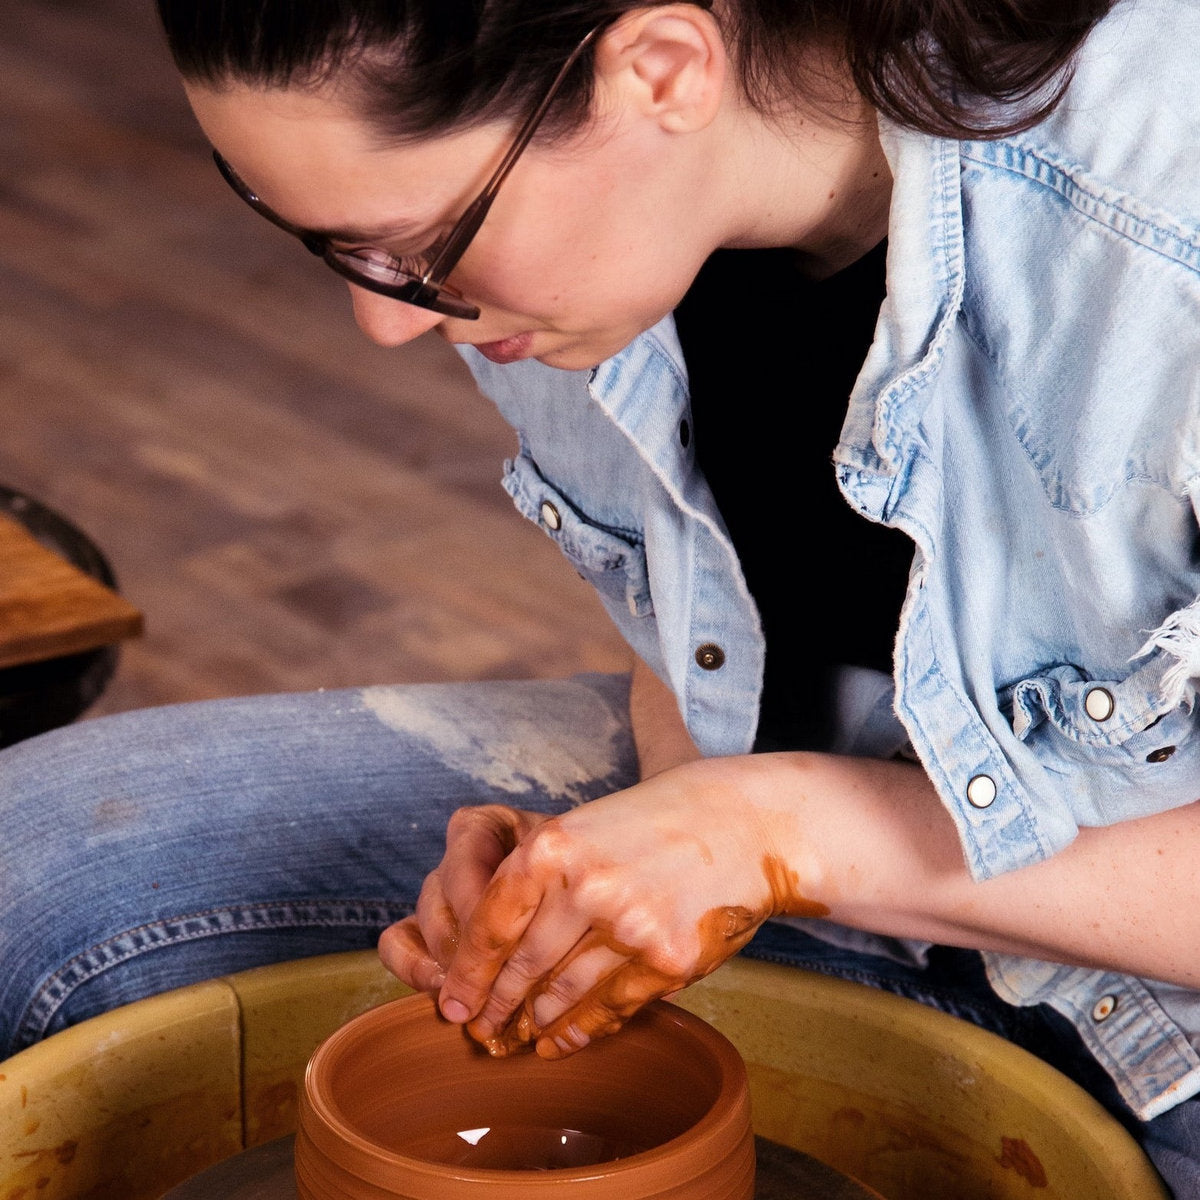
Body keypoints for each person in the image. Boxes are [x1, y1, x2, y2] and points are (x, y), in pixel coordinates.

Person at [3, 0, 1200, 1191]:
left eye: (415, 243)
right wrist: (614, 867)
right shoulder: (558, 256)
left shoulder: (1165, 232)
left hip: (1160, 988)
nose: (387, 320)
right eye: (332, 245)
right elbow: (704, 629)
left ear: (663, 71)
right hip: (852, 824)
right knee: (30, 860)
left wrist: (775, 833)